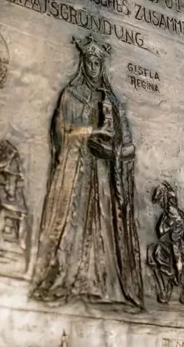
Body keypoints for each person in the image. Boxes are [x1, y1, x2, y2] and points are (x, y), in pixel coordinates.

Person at [32, 35, 143, 309]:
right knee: (77, 218)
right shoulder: (72, 95)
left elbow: (126, 140)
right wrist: (91, 132)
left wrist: (118, 147)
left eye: (97, 62)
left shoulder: (112, 102)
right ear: (83, 63)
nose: (93, 66)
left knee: (105, 220)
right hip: (79, 168)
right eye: (89, 61)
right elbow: (62, 132)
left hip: (105, 169)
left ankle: (104, 285)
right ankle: (71, 279)